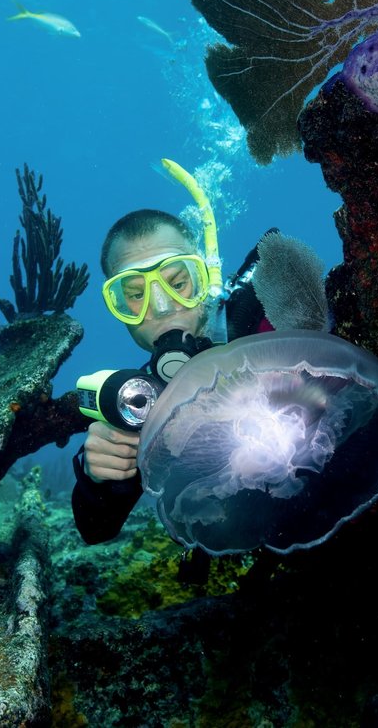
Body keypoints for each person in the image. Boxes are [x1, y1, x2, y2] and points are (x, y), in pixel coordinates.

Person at [72, 207, 274, 557]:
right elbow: (95, 529)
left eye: (178, 282)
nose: (163, 307)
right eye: (136, 295)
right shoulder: (140, 401)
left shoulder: (263, 317)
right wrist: (99, 477)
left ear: (206, 276)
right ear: (119, 310)